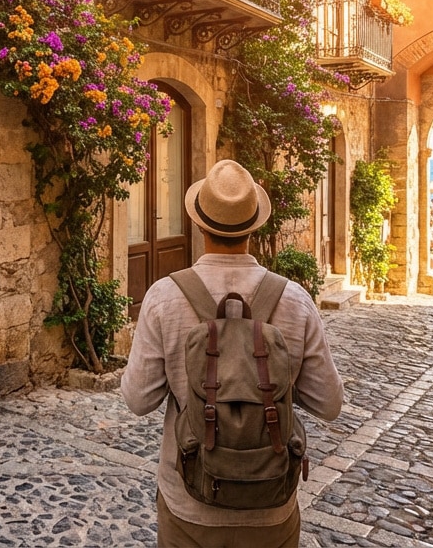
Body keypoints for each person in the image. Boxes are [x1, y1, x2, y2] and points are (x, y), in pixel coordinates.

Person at [122, 159, 344, 547]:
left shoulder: (164, 297)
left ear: (199, 223)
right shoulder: (294, 300)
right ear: (254, 226)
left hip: (188, 506)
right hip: (271, 506)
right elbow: (329, 404)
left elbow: (139, 400)